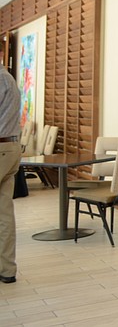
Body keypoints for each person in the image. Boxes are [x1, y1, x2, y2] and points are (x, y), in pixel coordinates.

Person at [0, 65, 22, 284]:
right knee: (4, 213)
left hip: (1, 148)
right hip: (10, 147)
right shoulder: (9, 79)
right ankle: (7, 269)